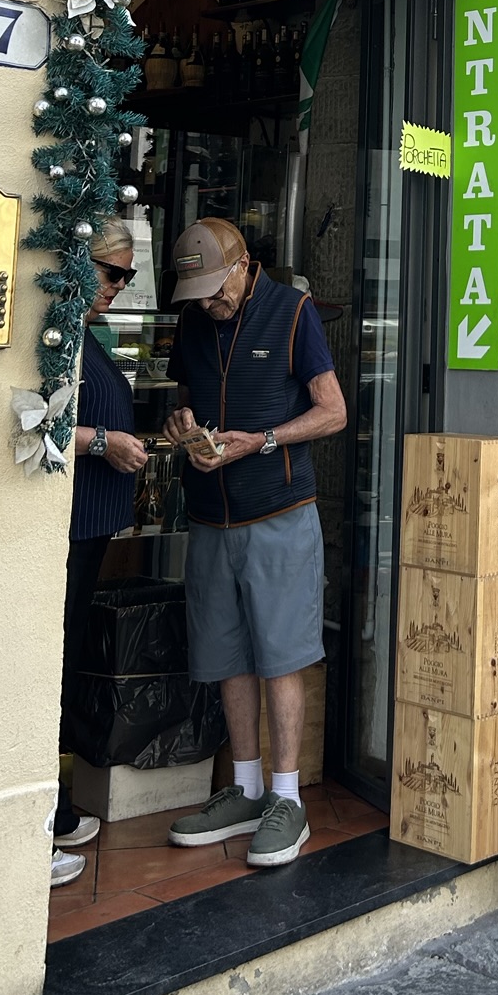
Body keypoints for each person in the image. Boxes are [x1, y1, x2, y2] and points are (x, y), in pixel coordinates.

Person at [161, 217, 346, 869]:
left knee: (281, 656)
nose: (209, 304)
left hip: (279, 513)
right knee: (227, 655)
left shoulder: (292, 312)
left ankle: (287, 799)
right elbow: (186, 398)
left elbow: (333, 411)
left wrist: (263, 441)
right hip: (210, 516)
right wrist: (182, 425)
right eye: (198, 295)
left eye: (216, 290)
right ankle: (243, 789)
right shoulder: (194, 321)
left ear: (242, 267)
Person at [52, 220, 148, 886]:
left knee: (64, 658)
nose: (119, 286)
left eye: (128, 276)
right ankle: (41, 820)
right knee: (51, 664)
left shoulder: (86, 330)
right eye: (112, 272)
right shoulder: (58, 328)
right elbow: (34, 419)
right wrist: (104, 442)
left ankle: (54, 809)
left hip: (86, 528)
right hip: (68, 528)